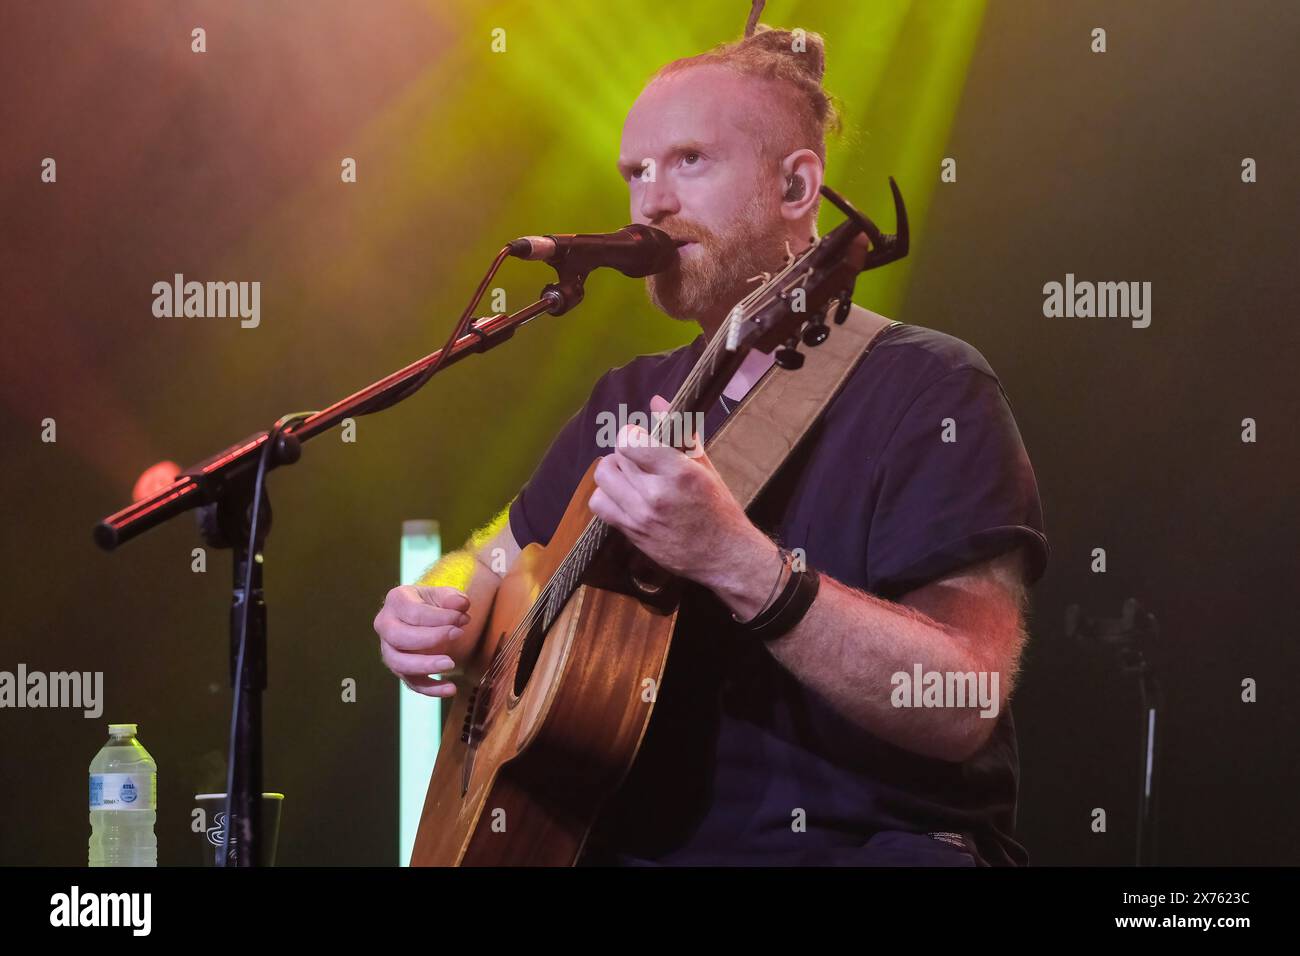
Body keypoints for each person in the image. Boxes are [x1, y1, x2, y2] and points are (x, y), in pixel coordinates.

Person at [374, 24, 1048, 866]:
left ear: (797, 184)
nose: (650, 201)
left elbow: (960, 699)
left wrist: (739, 562)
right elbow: (499, 563)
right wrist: (437, 607)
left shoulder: (931, 389)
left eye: (689, 160)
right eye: (636, 172)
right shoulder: (626, 395)